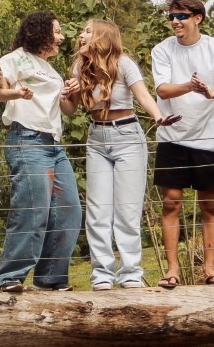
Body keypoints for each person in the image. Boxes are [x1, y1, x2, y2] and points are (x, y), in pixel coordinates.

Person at [68, 19, 175, 291]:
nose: (81, 35)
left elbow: (142, 95)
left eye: (88, 31)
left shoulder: (123, 63)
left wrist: (159, 116)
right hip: (97, 138)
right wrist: (65, 94)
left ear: (103, 37)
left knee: (127, 212)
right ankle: (102, 275)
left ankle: (130, 274)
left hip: (127, 136)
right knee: (98, 211)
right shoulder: (80, 67)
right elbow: (71, 109)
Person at [151, 0, 214, 288]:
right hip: (172, 137)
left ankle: (210, 270)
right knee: (171, 203)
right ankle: (172, 270)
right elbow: (163, 90)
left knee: (209, 205)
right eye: (172, 17)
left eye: (181, 16)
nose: (175, 22)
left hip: (209, 138)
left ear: (197, 18)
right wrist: (189, 86)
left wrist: (209, 92)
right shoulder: (162, 50)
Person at [0, 12, 80, 293]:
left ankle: (51, 279)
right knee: (32, 209)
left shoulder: (51, 69)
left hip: (53, 145)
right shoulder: (14, 59)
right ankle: (9, 277)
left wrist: (70, 93)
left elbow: (68, 110)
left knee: (68, 210)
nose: (61, 36)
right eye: (57, 31)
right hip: (26, 140)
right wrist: (16, 94)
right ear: (41, 33)